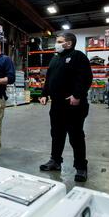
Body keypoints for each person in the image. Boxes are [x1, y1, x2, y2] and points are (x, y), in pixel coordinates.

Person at [39, 33, 93, 182]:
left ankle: (81, 167)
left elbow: (86, 77)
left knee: (76, 136)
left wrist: (77, 95)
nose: (56, 44)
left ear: (68, 43)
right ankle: (55, 161)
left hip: (73, 105)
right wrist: (44, 94)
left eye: (59, 42)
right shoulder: (55, 59)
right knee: (56, 134)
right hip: (56, 105)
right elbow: (49, 79)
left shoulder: (78, 56)